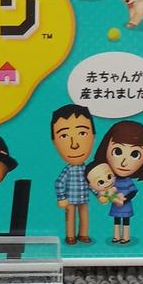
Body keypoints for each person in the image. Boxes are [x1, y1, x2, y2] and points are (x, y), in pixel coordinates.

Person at [92, 119, 143, 244]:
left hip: (125, 205)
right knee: (116, 221)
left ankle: (126, 237)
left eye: (135, 154)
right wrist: (107, 196)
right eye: (117, 151)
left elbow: (133, 192)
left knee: (126, 221)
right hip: (116, 205)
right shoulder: (111, 180)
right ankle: (116, 236)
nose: (124, 163)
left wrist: (124, 199)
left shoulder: (127, 181)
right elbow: (105, 190)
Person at [51, 103, 96, 245]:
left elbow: (92, 183)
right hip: (70, 199)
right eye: (64, 135)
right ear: (54, 142)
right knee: (70, 216)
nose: (74, 144)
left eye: (82, 133)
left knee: (84, 216)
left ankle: (83, 234)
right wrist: (61, 198)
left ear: (93, 136)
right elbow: (59, 182)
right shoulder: (68, 169)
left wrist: (98, 194)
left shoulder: (87, 169)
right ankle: (70, 236)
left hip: (84, 198)